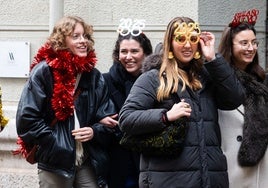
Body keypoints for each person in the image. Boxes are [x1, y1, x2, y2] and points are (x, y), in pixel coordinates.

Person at [118, 16, 245, 187]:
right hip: (168, 180)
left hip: (210, 178)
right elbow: (126, 118)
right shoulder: (153, 78)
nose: (187, 45)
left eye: (193, 39)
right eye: (181, 38)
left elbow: (235, 98)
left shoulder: (206, 76)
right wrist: (166, 116)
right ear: (170, 42)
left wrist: (213, 59)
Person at [15, 16, 118, 188]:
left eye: (85, 36)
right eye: (75, 36)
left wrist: (94, 130)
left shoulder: (93, 76)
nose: (83, 41)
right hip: (55, 162)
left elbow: (109, 118)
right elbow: (27, 119)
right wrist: (58, 144)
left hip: (86, 158)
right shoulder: (44, 72)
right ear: (62, 41)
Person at [218, 9, 268, 188]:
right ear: (230, 46)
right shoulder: (218, 80)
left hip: (263, 167)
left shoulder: (262, 79)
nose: (251, 48)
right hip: (232, 165)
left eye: (254, 43)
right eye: (244, 43)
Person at [103, 18, 153, 188]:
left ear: (145, 54)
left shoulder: (156, 82)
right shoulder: (105, 81)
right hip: (118, 164)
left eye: (134, 51)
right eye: (124, 51)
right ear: (117, 54)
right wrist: (100, 120)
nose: (128, 57)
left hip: (150, 161)